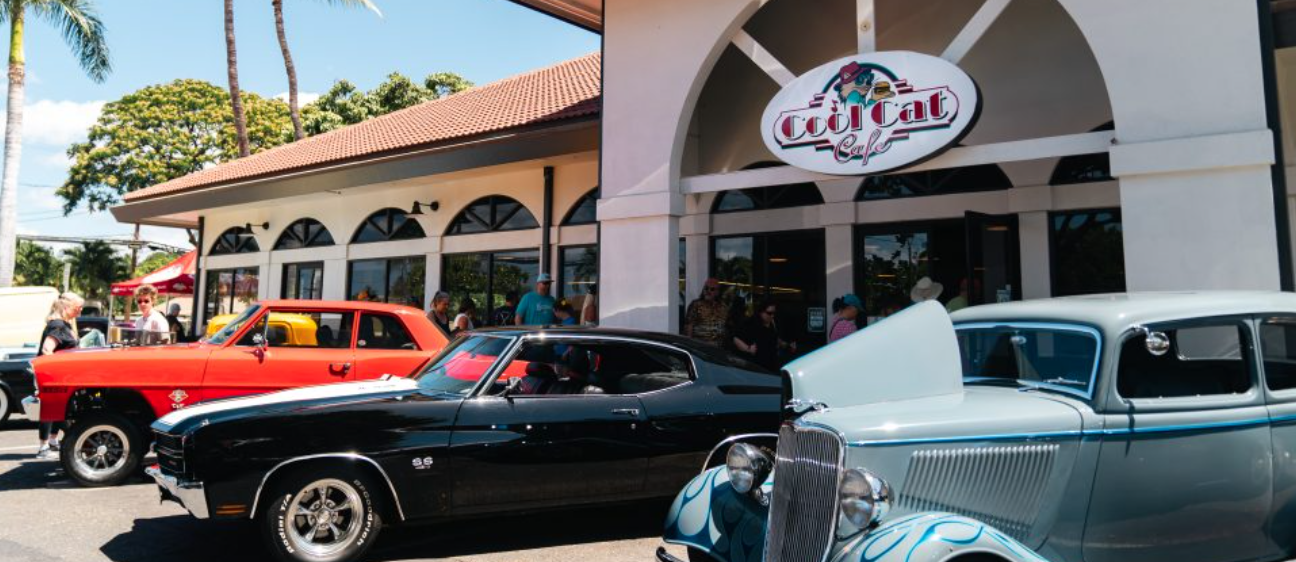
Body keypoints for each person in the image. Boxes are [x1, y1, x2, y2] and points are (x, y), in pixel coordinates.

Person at [35, 298, 78, 459]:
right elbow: (47, 349)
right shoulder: (58, 325)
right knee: (50, 408)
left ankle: (52, 442)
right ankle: (43, 447)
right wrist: (56, 370)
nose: (79, 310)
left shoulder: (63, 324)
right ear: (67, 307)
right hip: (53, 375)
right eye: (77, 307)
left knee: (60, 408)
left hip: (60, 375)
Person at [733, 300, 795, 371]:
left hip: (771, 364)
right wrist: (748, 349)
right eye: (769, 313)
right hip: (757, 365)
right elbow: (736, 339)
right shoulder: (751, 324)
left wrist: (786, 345)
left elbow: (774, 338)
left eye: (774, 313)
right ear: (761, 312)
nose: (772, 316)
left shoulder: (773, 323)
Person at [684, 278, 727, 347]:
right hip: (700, 345)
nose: (708, 291)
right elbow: (689, 326)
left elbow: (725, 326)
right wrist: (690, 345)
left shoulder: (723, 307)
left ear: (717, 292)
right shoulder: (696, 305)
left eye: (712, 289)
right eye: (706, 288)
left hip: (718, 347)